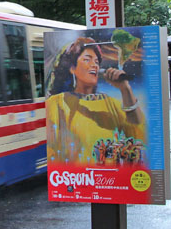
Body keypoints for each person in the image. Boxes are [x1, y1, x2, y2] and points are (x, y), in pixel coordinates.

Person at [46, 36, 145, 165]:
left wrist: (125, 89)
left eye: (97, 62)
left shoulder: (111, 103)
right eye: (87, 60)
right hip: (76, 179)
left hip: (108, 180)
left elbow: (139, 135)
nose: (94, 65)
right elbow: (52, 150)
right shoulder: (56, 103)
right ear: (72, 68)